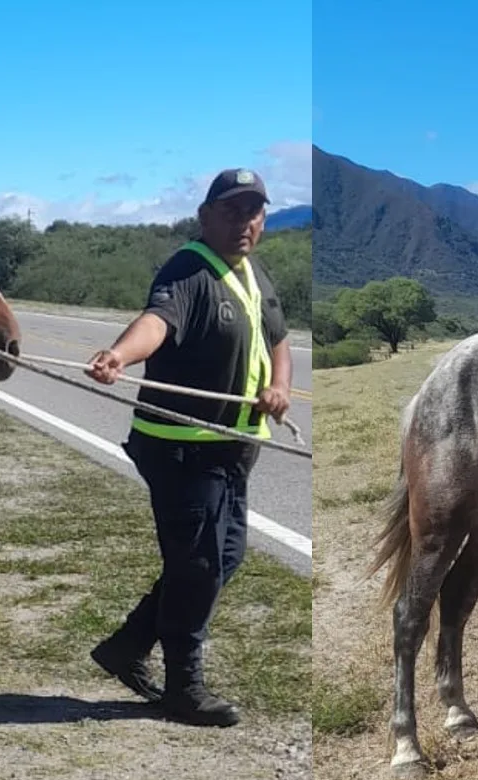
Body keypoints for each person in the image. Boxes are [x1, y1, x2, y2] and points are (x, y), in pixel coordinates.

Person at [83, 168, 293, 727]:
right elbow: (157, 321)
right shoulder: (189, 269)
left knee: (223, 558)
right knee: (198, 564)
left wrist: (279, 386)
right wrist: (121, 356)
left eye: (254, 212)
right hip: (181, 447)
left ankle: (126, 647)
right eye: (231, 211)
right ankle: (183, 686)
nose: (244, 222)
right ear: (205, 216)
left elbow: (278, 342)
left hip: (230, 447)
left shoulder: (254, 274)